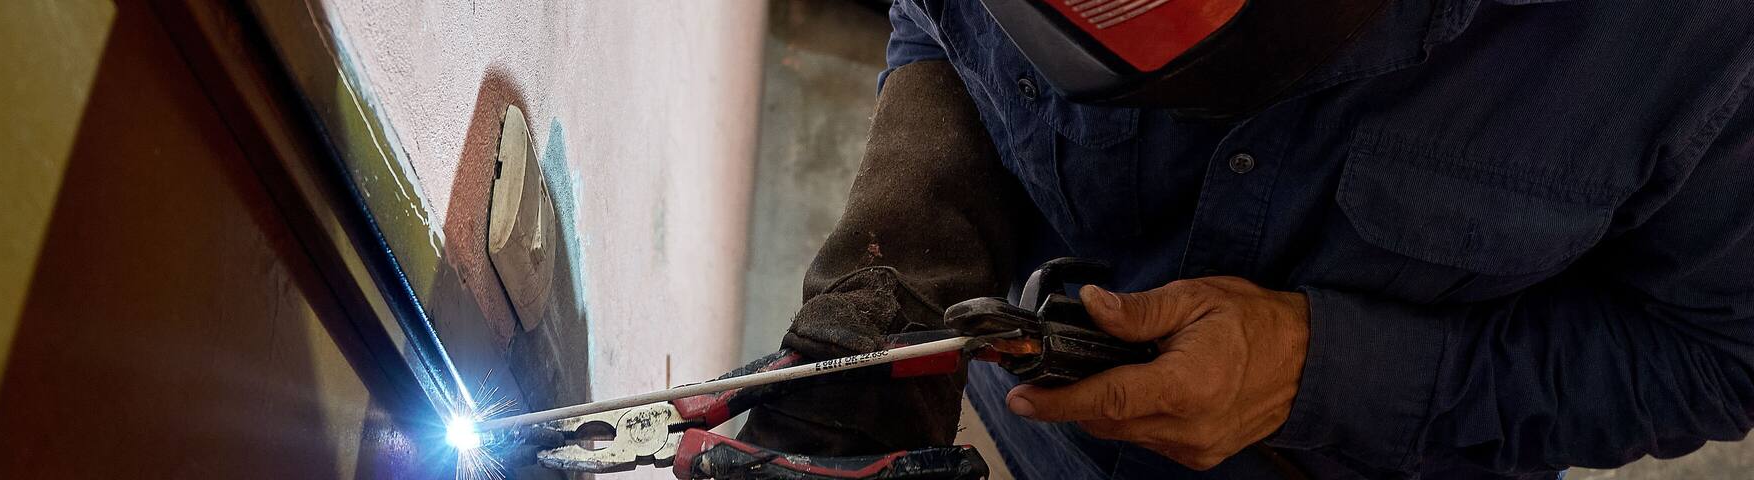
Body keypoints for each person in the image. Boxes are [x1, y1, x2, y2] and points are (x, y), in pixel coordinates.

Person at [735, 0, 1754, 478]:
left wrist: (1319, 369)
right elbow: (948, 23)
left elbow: (1714, 359)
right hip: (1017, 417)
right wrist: (905, 261)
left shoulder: (1704, 45)